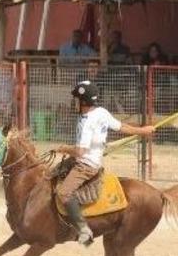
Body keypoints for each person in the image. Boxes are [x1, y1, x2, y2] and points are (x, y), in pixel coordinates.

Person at [55, 80, 155, 246]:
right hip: (91, 159)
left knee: (64, 192)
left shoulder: (86, 121)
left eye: (76, 100)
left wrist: (64, 148)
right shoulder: (101, 112)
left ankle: (83, 230)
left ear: (83, 102)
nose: (74, 103)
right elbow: (121, 127)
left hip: (85, 166)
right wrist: (143, 131)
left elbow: (80, 151)